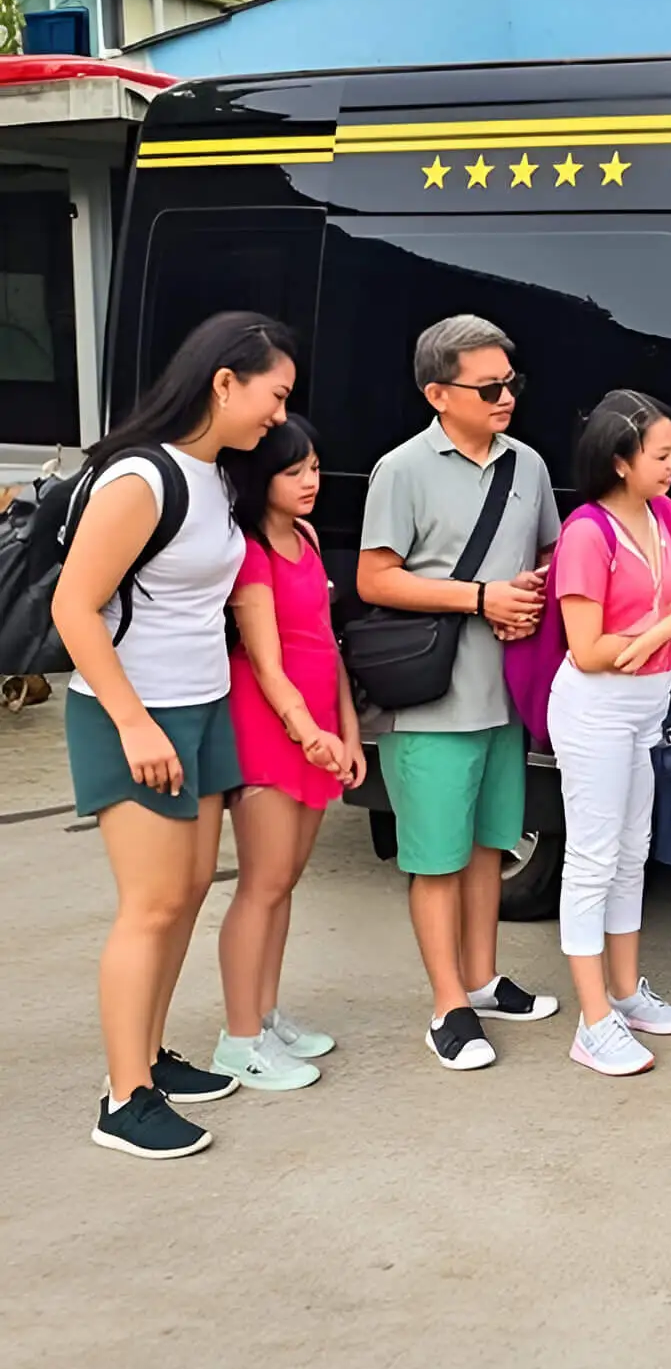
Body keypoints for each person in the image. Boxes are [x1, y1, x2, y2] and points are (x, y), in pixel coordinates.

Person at [53, 311, 296, 1158]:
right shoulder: (141, 479)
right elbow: (72, 608)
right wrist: (131, 723)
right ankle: (124, 1100)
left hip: (199, 708)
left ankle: (149, 1058)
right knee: (150, 906)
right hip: (135, 714)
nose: (278, 415)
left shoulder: (213, 477)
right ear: (224, 382)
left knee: (187, 894)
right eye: (275, 396)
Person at [356, 316, 562, 1072]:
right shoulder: (402, 470)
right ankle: (446, 1005)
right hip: (430, 699)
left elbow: (546, 551)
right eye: (490, 386)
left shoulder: (529, 466)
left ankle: (482, 977)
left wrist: (531, 596)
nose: (507, 396)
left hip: (504, 694)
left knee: (487, 847)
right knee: (437, 858)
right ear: (437, 393)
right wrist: (481, 600)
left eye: (512, 382)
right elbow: (376, 578)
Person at [548, 391, 671, 1076]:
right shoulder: (587, 534)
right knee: (591, 859)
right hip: (597, 706)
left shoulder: (666, 516)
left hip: (648, 702)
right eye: (662, 455)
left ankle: (625, 993)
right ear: (621, 461)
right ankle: (592, 1021)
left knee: (632, 852)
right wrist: (670, 627)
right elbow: (590, 650)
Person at [214, 413, 361, 1092]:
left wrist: (349, 733)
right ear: (259, 478)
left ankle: (265, 1014)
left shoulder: (302, 536)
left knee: (285, 882)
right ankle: (238, 1038)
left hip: (319, 727)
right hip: (271, 727)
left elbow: (327, 645)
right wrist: (310, 733)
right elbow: (267, 665)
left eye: (313, 468)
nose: (310, 482)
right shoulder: (250, 551)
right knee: (262, 884)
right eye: (292, 471)